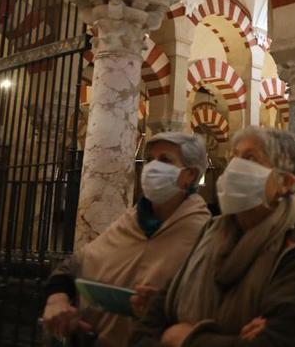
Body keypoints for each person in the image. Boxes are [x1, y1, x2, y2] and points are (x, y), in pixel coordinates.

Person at [130, 127, 295, 347]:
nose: (234, 167)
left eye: (250, 158)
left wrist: (188, 339)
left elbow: (285, 340)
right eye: (233, 156)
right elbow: (147, 328)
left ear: (285, 183)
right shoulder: (210, 233)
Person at [41, 132, 211, 347]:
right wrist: (58, 298)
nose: (151, 168)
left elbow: (205, 310)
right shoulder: (130, 220)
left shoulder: (202, 233)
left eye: (165, 160)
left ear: (190, 176)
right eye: (150, 159)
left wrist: (161, 308)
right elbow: (74, 265)